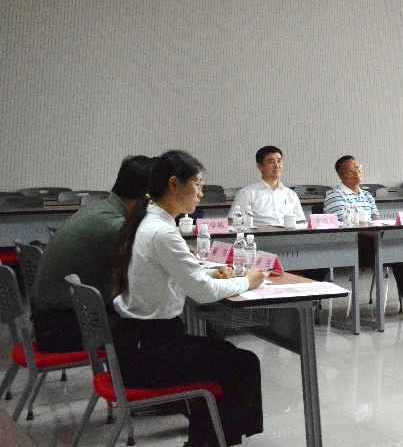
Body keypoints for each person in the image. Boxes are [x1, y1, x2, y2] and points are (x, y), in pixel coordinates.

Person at [112, 150, 266, 447]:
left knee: (230, 356)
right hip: (149, 354)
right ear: (174, 184)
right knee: (242, 363)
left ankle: (206, 440)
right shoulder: (161, 231)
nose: (200, 193)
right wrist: (246, 281)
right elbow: (202, 293)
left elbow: (184, 275)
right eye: (197, 184)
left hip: (136, 344)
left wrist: (212, 274)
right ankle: (209, 442)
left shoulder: (149, 221)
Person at [31, 155, 155, 352]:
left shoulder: (100, 209)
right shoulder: (114, 226)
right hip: (64, 328)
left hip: (53, 319)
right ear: (149, 197)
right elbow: (152, 272)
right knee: (158, 326)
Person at [324, 155, 403, 323]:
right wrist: (378, 233)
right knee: (395, 252)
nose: (357, 172)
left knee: (398, 254)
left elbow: (376, 220)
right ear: (341, 176)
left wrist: (381, 233)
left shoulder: (367, 195)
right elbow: (346, 227)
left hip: (373, 242)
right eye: (351, 170)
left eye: (358, 168)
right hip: (348, 246)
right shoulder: (335, 195)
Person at [229, 145, 306, 227]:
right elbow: (232, 223)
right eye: (271, 162)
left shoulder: (291, 194)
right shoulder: (246, 193)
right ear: (260, 167)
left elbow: (300, 222)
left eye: (279, 161)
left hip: (288, 233)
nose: (277, 166)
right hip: (259, 234)